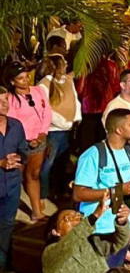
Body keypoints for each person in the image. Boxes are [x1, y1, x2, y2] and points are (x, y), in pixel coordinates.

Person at [73, 109, 130, 270]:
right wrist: (116, 191)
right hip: (100, 230)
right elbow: (78, 193)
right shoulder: (93, 155)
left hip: (124, 226)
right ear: (118, 130)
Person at [7, 63, 51, 221]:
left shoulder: (38, 91)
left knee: (34, 175)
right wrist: (26, 139)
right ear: (13, 81)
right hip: (20, 143)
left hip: (39, 140)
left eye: (27, 77)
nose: (25, 81)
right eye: (20, 78)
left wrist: (42, 134)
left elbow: (47, 112)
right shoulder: (11, 100)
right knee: (16, 178)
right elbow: (13, 122)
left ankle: (36, 212)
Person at [36, 53, 79, 206]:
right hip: (53, 131)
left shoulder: (67, 81)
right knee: (47, 165)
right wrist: (62, 122)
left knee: (62, 163)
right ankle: (43, 194)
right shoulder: (45, 84)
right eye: (63, 63)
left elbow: (75, 99)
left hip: (67, 130)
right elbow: (45, 109)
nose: (66, 65)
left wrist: (75, 119)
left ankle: (61, 191)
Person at [0, 87, 26, 272]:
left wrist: (19, 159)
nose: (5, 105)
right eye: (0, 101)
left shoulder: (16, 125)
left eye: (6, 100)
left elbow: (24, 150)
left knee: (8, 226)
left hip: (12, 186)